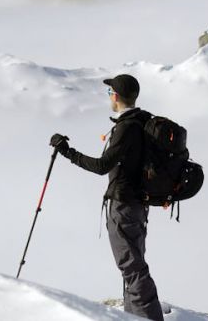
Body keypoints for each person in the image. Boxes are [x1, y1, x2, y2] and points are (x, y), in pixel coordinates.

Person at [49, 74, 165, 321]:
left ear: (115, 96)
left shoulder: (127, 127)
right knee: (132, 267)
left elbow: (102, 165)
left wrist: (67, 151)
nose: (109, 97)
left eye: (109, 92)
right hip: (138, 205)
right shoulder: (143, 121)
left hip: (123, 205)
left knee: (132, 268)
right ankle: (134, 317)